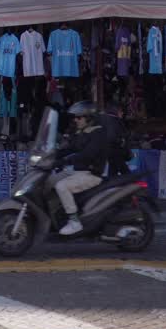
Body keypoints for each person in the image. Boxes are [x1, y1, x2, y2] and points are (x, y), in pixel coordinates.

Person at [49, 101, 110, 236]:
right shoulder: (82, 132)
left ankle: (74, 222)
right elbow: (70, 148)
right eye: (75, 117)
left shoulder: (98, 134)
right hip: (78, 171)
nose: (75, 120)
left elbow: (87, 154)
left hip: (92, 174)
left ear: (89, 118)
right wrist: (52, 155)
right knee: (49, 181)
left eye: (79, 117)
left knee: (61, 186)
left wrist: (65, 161)